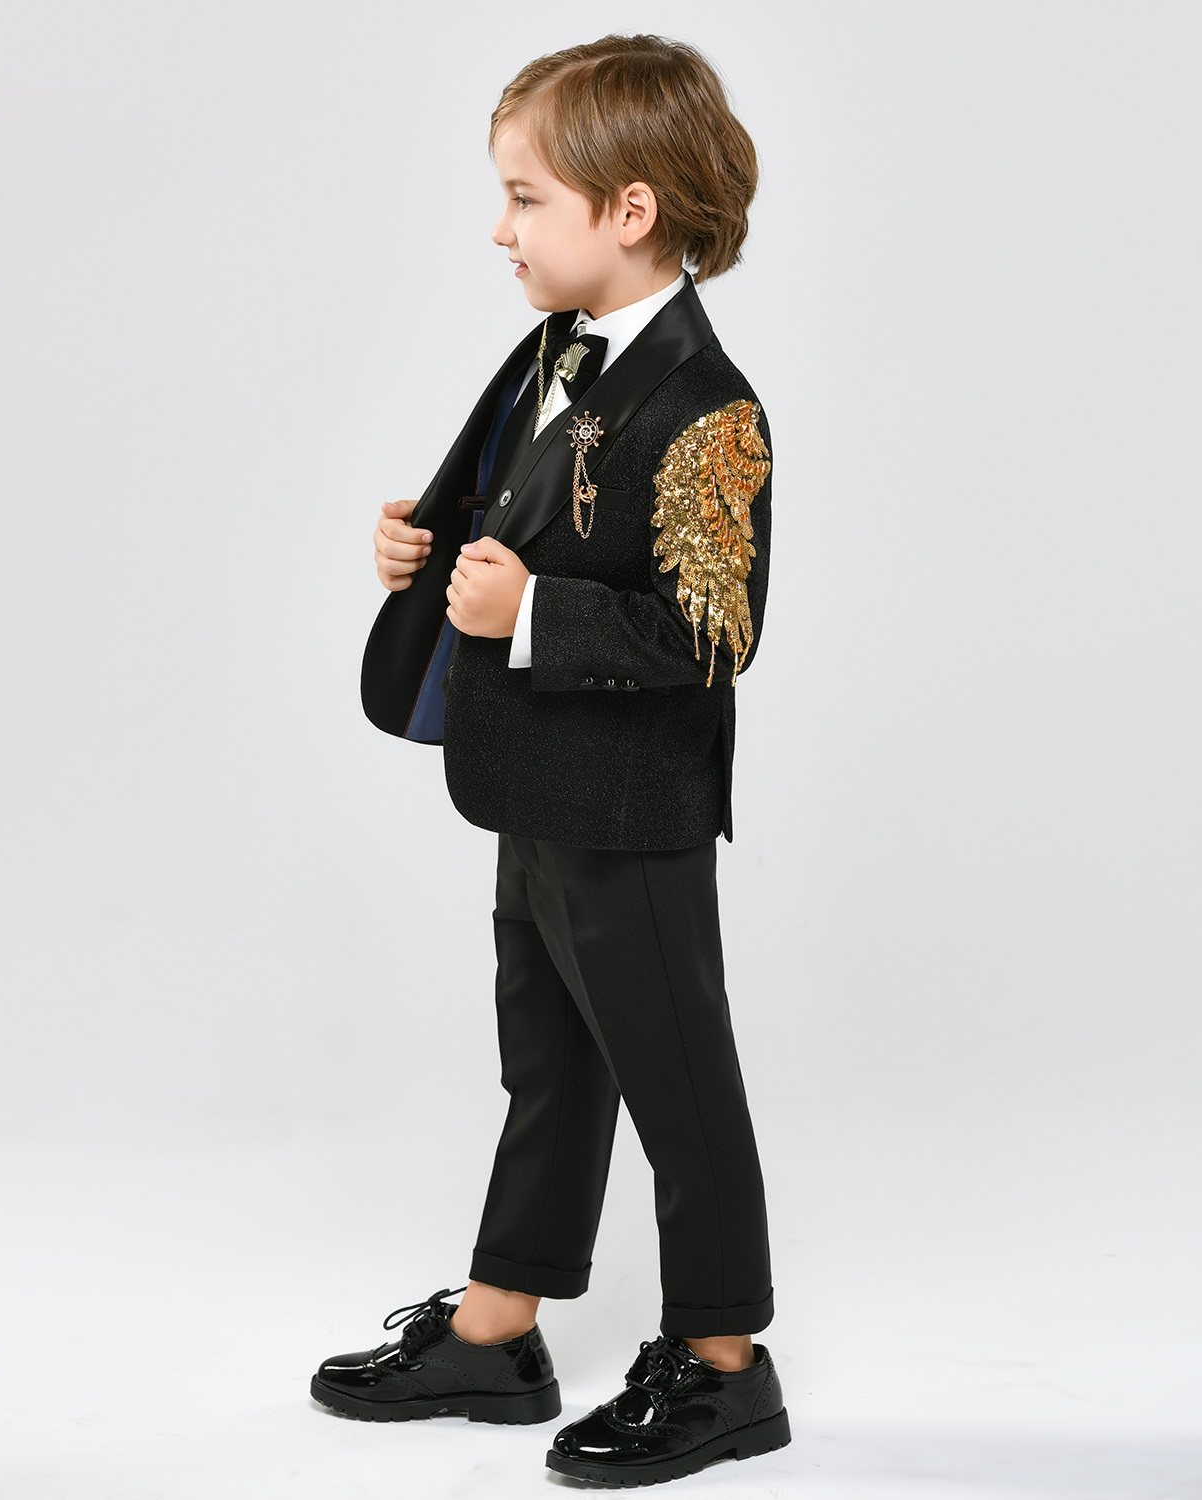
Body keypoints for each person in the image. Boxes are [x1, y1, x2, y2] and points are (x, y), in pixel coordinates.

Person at [315, 33, 789, 1486]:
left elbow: (714, 631)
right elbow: (507, 502)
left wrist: (530, 614)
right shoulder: (555, 352)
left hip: (632, 808)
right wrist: (429, 547)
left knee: (676, 1076)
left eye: (526, 198)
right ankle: (498, 1325)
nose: (501, 228)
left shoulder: (707, 408)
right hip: (534, 785)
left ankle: (725, 1363)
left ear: (629, 210)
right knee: (552, 1065)